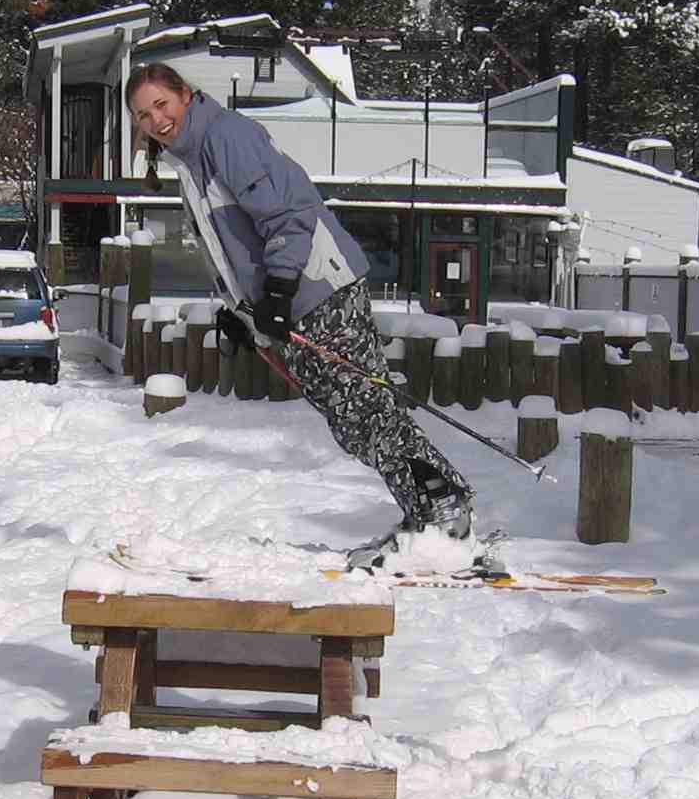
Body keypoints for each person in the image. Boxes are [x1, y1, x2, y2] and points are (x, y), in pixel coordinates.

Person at [126, 63, 474, 567]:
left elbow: (289, 213)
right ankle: (426, 515)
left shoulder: (225, 136)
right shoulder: (192, 162)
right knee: (353, 421)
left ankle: (447, 509)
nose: (156, 120)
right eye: (143, 114)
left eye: (162, 104)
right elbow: (234, 250)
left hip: (319, 288)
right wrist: (244, 312)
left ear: (186, 95)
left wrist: (281, 288)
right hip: (293, 302)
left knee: (365, 408)